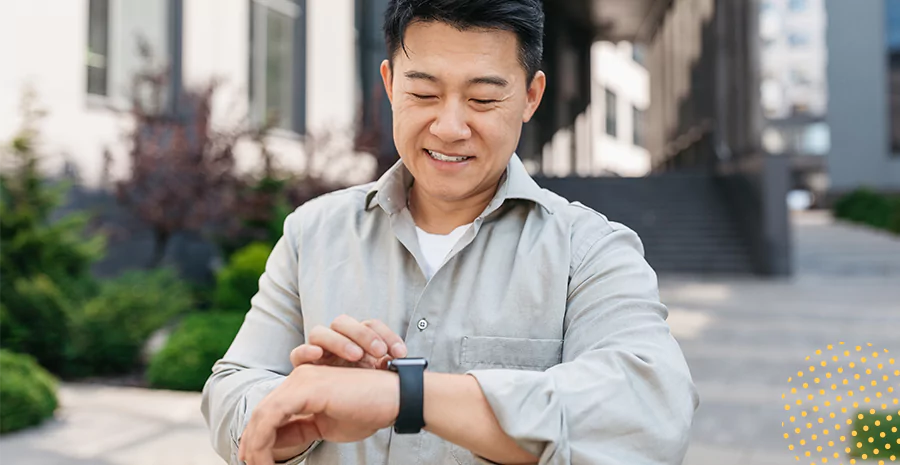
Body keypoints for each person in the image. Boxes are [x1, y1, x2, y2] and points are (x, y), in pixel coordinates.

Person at [201, 1, 699, 464]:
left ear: (530, 97)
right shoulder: (314, 231)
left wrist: (404, 397)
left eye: (483, 98)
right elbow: (230, 385)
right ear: (389, 83)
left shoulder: (589, 251)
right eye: (423, 93)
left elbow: (651, 413)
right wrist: (294, 412)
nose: (450, 126)